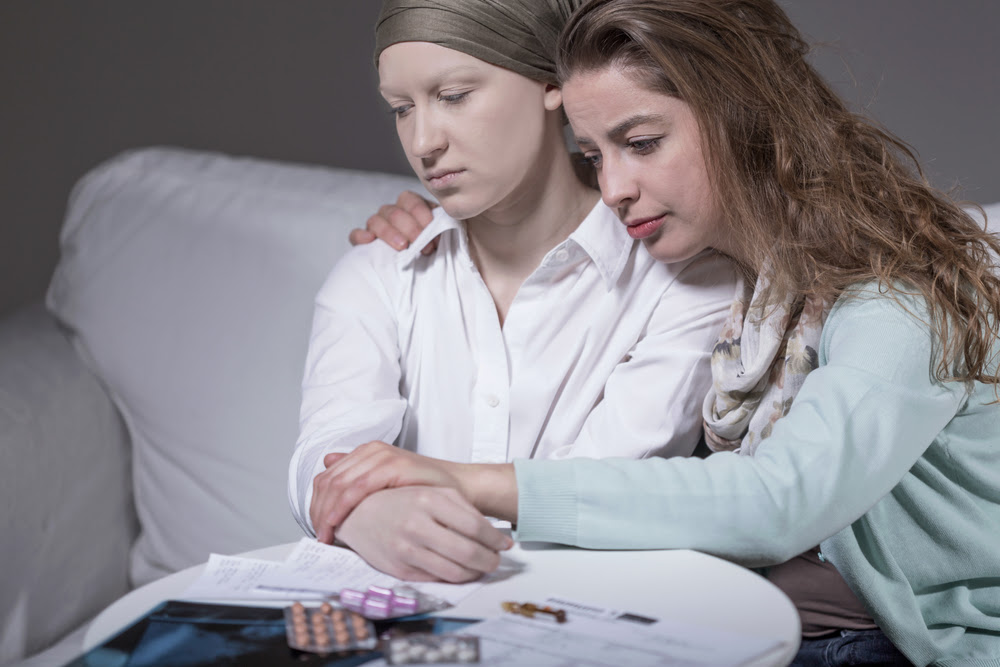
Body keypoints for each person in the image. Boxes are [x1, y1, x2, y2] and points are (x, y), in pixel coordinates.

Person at [317, 0, 1000, 664]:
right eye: (593, 155)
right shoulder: (751, 287)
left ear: (743, 111)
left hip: (890, 642)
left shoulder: (898, 291)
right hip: (731, 620)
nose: (614, 186)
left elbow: (777, 501)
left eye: (641, 143)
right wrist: (432, 227)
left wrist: (471, 481)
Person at [289, 0, 736, 584]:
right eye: (401, 108)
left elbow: (607, 493)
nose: (423, 142)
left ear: (552, 82)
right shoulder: (379, 270)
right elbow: (322, 455)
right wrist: (362, 512)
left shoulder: (683, 274)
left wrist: (382, 497)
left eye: (453, 96)